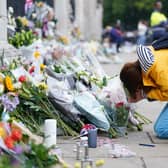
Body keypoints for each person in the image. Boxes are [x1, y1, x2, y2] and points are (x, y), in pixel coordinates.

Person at [120, 44, 168, 139]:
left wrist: (145, 95)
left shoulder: (159, 72)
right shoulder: (148, 60)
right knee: (160, 127)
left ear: (138, 85)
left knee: (162, 130)